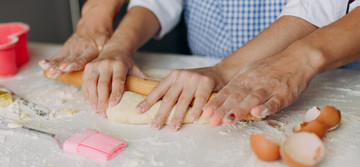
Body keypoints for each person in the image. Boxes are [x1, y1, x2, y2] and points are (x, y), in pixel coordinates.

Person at [39, 0, 360, 132]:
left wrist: (225, 71)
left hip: (318, 75)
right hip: (199, 67)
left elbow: (317, 7)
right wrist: (119, 45)